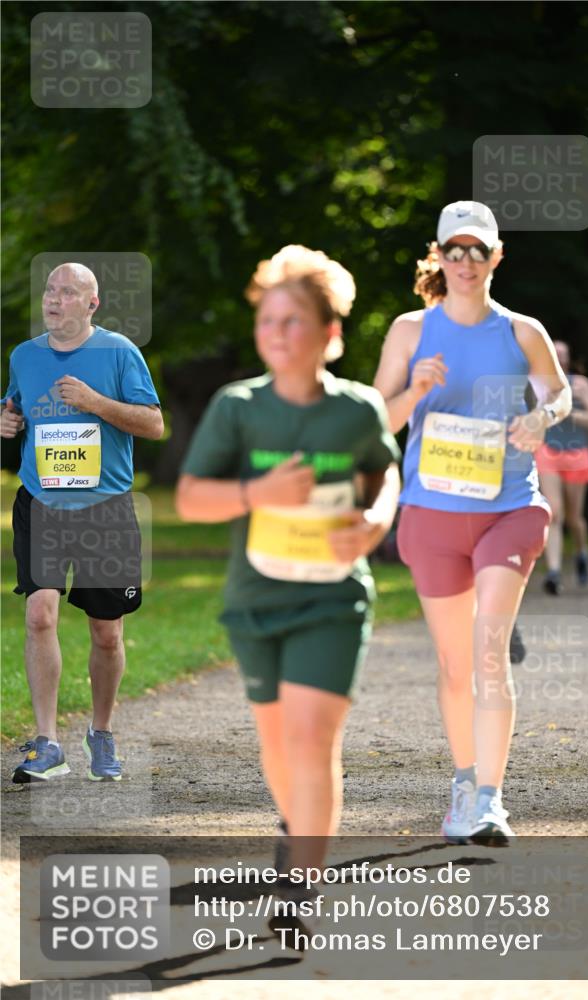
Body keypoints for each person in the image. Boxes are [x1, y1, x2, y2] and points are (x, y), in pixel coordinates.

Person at [176, 246, 400, 866]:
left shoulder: (357, 410)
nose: (276, 334)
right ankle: (295, 822)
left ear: (330, 332)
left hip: (332, 597)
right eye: (267, 321)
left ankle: (301, 883)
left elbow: (385, 475)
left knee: (311, 739)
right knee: (277, 747)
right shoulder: (238, 407)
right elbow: (192, 499)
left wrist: (376, 522)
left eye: (292, 320)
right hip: (256, 599)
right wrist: (257, 492)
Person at [373, 201, 571, 844]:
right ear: (439, 256)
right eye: (453, 251)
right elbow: (380, 419)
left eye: (476, 251)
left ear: (495, 257)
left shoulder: (521, 332)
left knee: (488, 652)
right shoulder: (410, 331)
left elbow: (558, 391)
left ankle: (489, 798)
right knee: (457, 663)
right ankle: (464, 780)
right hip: (432, 513)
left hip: (509, 509)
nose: (465, 262)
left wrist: (539, 419)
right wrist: (416, 390)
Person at [2, 263, 163, 783]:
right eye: (49, 289)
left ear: (92, 304)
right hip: (42, 504)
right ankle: (48, 743)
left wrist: (94, 402)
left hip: (106, 507)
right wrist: (6, 420)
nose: (54, 298)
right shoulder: (24, 356)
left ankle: (101, 731)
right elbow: (14, 409)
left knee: (106, 633)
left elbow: (154, 424)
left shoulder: (118, 352)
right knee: (40, 614)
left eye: (67, 292)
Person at [535, 341, 588, 594]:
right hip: (548, 452)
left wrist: (567, 412)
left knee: (575, 518)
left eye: (564, 353)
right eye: (556, 353)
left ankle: (581, 552)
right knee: (554, 513)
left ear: (569, 357)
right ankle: (553, 572)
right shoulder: (539, 383)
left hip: (577, 455)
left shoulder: (581, 385)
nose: (560, 357)